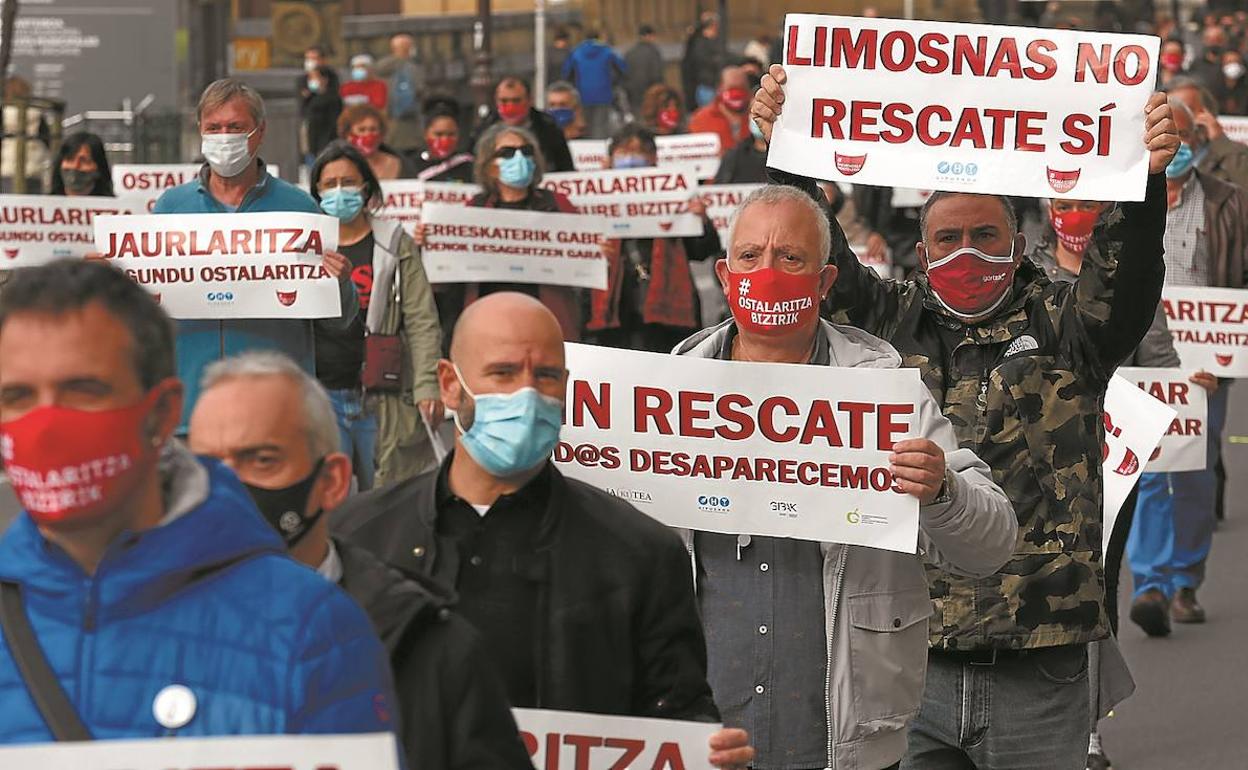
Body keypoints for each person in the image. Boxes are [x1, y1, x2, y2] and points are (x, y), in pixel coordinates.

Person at [753, 66, 1178, 769]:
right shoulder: (885, 322)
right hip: (911, 657)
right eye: (948, 239)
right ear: (922, 254)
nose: (967, 250)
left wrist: (1145, 179)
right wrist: (790, 148)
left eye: (986, 233)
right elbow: (813, 250)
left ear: (1018, 245)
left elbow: (1126, 269)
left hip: (1040, 661)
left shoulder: (1072, 326)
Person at [332, 291, 754, 770]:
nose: (527, 394)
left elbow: (677, 708)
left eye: (547, 376)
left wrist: (706, 750)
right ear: (450, 385)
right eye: (504, 373)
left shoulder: (642, 554)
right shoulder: (358, 538)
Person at [675, 184, 1015, 770]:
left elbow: (991, 547)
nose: (769, 272)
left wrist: (942, 491)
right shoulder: (662, 394)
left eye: (791, 259)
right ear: (726, 277)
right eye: (751, 256)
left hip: (842, 742)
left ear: (826, 282)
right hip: (702, 740)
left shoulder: (883, 394)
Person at [0, 260, 397, 744]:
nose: (47, 425)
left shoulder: (312, 630)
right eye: (16, 396)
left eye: (83, 390)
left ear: (163, 412)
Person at [188, 350, 530, 770]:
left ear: (331, 482)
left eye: (261, 461)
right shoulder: (134, 633)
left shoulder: (432, 651)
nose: (228, 487)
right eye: (206, 467)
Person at [1029, 197, 1218, 770]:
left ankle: (1085, 730)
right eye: (1068, 204)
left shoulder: (1130, 282)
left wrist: (1186, 387)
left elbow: (1158, 362)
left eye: (1091, 204)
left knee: (1095, 595)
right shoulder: (1024, 276)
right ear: (1048, 208)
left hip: (1112, 464)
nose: (1078, 214)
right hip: (1030, 467)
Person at [152, 78, 360, 430]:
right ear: (201, 132)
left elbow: (338, 320)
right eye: (214, 128)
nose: (224, 137)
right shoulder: (172, 207)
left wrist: (339, 283)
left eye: (235, 127)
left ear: (259, 132)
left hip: (278, 411)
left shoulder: (299, 207)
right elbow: (149, 306)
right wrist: (118, 276)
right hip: (191, 411)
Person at [1125, 97, 1248, 639]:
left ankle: (1185, 581)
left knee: (1196, 470)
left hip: (1206, 363)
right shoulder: (1127, 196)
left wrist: (1228, 349)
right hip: (1145, 358)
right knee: (1150, 467)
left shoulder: (1230, 204)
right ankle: (1149, 582)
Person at [309, 141, 444, 489]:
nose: (340, 191)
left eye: (349, 182)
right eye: (330, 184)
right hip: (323, 392)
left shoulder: (395, 241)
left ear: (367, 187)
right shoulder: (307, 244)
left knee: (386, 499)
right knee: (329, 502)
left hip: (381, 394)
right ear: (317, 191)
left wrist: (428, 384)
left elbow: (421, 319)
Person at [588, 124, 721, 352]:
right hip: (617, 316)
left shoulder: (675, 196)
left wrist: (700, 219)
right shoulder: (593, 200)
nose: (630, 161)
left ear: (653, 159)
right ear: (610, 160)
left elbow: (702, 251)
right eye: (624, 154)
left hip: (666, 321)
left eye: (637, 154)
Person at [453, 124, 583, 341]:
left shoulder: (557, 203)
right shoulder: (475, 208)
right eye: (507, 153)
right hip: (489, 321)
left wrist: (599, 253)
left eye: (526, 151)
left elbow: (585, 257)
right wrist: (429, 242)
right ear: (489, 165)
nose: (519, 158)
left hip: (547, 318)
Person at [469, 76, 575, 172]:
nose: (510, 106)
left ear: (530, 100)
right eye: (504, 101)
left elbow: (565, 168)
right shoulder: (483, 131)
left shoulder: (549, 128)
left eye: (516, 101)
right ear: (496, 101)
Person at [1168, 77, 1248, 191]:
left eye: (1186, 109)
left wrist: (1220, 142)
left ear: (1207, 113)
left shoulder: (1233, 154)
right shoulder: (1151, 154)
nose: (1177, 118)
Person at [561, 29, 625, 139]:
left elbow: (566, 72)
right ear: (598, 38)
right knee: (601, 125)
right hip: (604, 93)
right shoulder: (607, 51)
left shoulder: (576, 52)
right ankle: (598, 151)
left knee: (585, 125)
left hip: (583, 94)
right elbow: (623, 68)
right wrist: (614, 82)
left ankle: (587, 151)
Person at [375, 33, 425, 154]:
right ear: (408, 48)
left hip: (388, 126)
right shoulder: (412, 68)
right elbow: (420, 91)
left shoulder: (382, 68)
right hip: (410, 127)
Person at [409, 96, 475, 183]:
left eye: (451, 134)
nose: (445, 140)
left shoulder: (470, 167)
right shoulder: (410, 166)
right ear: (425, 134)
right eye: (439, 134)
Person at [689, 66, 752, 157]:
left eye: (741, 87)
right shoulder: (701, 119)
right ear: (720, 88)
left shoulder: (756, 116)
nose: (737, 93)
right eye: (732, 88)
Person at [338, 103, 411, 180]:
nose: (368, 135)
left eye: (373, 129)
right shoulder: (338, 165)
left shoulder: (396, 163)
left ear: (381, 134)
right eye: (362, 130)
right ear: (348, 135)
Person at [1, 76, 48, 194]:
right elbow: (48, 141)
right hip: (34, 169)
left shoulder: (3, 113)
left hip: (6, 168)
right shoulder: (38, 114)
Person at [713, 98, 768, 184]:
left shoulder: (786, 155)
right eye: (754, 112)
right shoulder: (734, 156)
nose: (757, 118)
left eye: (763, 113)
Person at [49, 132, 114, 197]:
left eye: (84, 161)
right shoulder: (44, 204)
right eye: (69, 159)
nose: (75, 166)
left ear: (99, 169)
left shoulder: (113, 205)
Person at [303, 64, 344, 162]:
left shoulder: (333, 99)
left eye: (315, 77)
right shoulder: (312, 97)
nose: (312, 81)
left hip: (326, 144)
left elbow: (333, 123)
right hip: (312, 143)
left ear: (325, 79)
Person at [683, 14, 724, 110]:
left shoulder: (702, 42)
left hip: (709, 84)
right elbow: (705, 62)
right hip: (707, 85)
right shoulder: (700, 44)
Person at [623, 25, 664, 119]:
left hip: (633, 93)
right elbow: (656, 74)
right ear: (649, 36)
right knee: (651, 119)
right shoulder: (653, 52)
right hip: (651, 92)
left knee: (638, 118)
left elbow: (624, 73)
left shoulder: (630, 52)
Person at [1217, 49, 1248, 114]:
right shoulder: (1213, 87)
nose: (1233, 65)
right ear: (1222, 64)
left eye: (1236, 62)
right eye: (1229, 62)